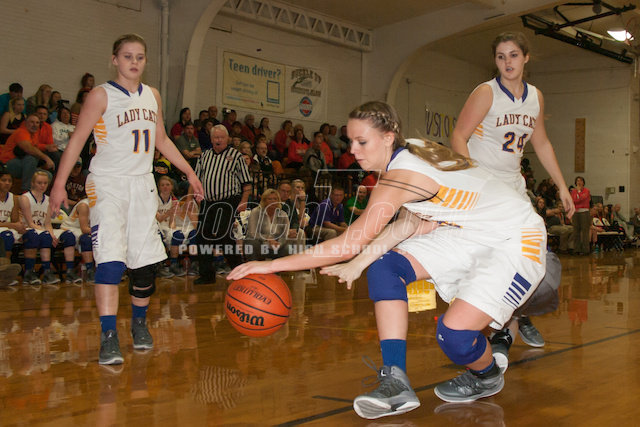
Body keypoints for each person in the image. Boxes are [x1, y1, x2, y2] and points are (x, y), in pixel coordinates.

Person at [228, 101, 547, 419]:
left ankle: (486, 374)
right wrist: (359, 264)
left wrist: (270, 265)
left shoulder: (399, 177)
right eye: (350, 141)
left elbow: (346, 244)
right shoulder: (412, 152)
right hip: (469, 233)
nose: (353, 150)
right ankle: (395, 380)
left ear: (388, 137)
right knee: (384, 266)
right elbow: (407, 223)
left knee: (455, 337)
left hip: (516, 239)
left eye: (362, 141)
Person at [49, 33, 204, 366]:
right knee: (110, 260)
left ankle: (139, 323)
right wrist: (58, 184)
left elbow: (162, 139)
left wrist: (189, 172)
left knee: (145, 264)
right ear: (114, 59)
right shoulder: (100, 95)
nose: (134, 62)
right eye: (128, 56)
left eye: (140, 57)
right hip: (108, 184)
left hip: (142, 184)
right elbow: (77, 140)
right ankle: (108, 335)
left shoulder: (153, 95)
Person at [450, 31, 574, 357]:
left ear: (526, 58)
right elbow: (459, 136)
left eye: (514, 55)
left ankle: (521, 312)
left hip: (514, 187)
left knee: (532, 255)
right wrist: (470, 178)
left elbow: (541, 143)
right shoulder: (486, 92)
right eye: (501, 56)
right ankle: (505, 317)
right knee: (493, 257)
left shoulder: (535, 97)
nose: (507, 62)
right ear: (495, 60)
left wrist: (562, 186)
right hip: (484, 186)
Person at [193, 124, 251, 284]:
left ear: (227, 139)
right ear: (211, 139)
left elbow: (246, 182)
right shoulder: (204, 155)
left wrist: (244, 201)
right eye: (215, 137)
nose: (218, 140)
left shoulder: (236, 156)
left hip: (228, 200)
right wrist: (194, 195)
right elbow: (196, 178)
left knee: (223, 235)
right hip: (207, 201)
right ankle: (206, 275)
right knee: (202, 236)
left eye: (221, 137)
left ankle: (239, 270)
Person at [19, 171, 60, 285]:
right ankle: (29, 272)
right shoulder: (25, 198)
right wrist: (46, 232)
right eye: (39, 183)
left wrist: (51, 234)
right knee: (35, 235)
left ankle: (47, 273)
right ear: (32, 183)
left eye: (45, 183)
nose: (42, 185)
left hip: (41, 230)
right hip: (26, 230)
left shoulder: (48, 200)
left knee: (48, 236)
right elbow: (30, 223)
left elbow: (47, 223)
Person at [0, 114, 55, 191]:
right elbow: (29, 149)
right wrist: (46, 158)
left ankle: (36, 195)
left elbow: (36, 147)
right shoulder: (21, 132)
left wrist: (46, 147)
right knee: (31, 158)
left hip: (24, 166)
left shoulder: (34, 135)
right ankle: (26, 190)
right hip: (7, 165)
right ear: (25, 123)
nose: (35, 125)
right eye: (32, 122)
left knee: (47, 175)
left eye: (37, 123)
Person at [244, 188, 299, 260]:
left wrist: (278, 244)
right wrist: (268, 239)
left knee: (287, 249)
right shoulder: (256, 212)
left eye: (275, 199)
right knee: (252, 242)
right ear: (264, 201)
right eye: (270, 199)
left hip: (275, 244)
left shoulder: (283, 214)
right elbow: (252, 233)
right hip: (260, 243)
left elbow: (284, 234)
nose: (273, 201)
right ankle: (255, 265)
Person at [59, 196, 96, 282]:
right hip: (70, 228)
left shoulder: (102, 205)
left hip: (82, 230)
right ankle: (89, 271)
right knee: (86, 239)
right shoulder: (84, 205)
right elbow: (84, 229)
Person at [0, 169, 25, 286]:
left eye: (9, 181)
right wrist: (12, 225)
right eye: (3, 180)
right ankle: (4, 271)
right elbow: (12, 224)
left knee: (28, 234)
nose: (7, 183)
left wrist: (20, 226)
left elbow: (14, 220)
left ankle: (8, 272)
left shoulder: (13, 198)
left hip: (5, 229)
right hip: (5, 229)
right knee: (7, 236)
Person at [570, 176, 591, 255]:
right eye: (577, 181)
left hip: (584, 212)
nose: (579, 182)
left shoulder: (586, 191)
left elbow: (581, 199)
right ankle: (576, 249)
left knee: (585, 231)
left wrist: (578, 192)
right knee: (576, 231)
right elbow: (574, 200)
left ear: (583, 182)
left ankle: (585, 250)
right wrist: (577, 195)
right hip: (576, 212)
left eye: (580, 181)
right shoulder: (573, 191)